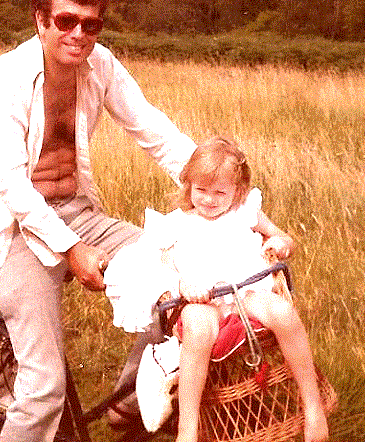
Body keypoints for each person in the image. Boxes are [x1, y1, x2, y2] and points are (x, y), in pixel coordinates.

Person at [0, 0, 198, 442]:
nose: (78, 34)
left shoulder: (100, 65)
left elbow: (155, 133)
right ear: (40, 18)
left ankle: (129, 409)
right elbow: (13, 187)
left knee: (176, 283)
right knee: (44, 388)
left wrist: (225, 192)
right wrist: (72, 250)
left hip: (77, 213)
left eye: (91, 24)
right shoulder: (3, 81)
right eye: (66, 20)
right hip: (13, 230)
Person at [104, 136, 328, 442]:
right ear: (188, 186)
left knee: (283, 311)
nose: (209, 200)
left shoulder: (244, 212)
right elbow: (162, 263)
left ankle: (313, 407)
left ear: (238, 191)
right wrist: (182, 283)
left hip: (245, 293)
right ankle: (188, 426)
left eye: (220, 192)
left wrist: (281, 243)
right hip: (203, 303)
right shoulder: (176, 224)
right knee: (196, 324)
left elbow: (283, 238)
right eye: (201, 190)